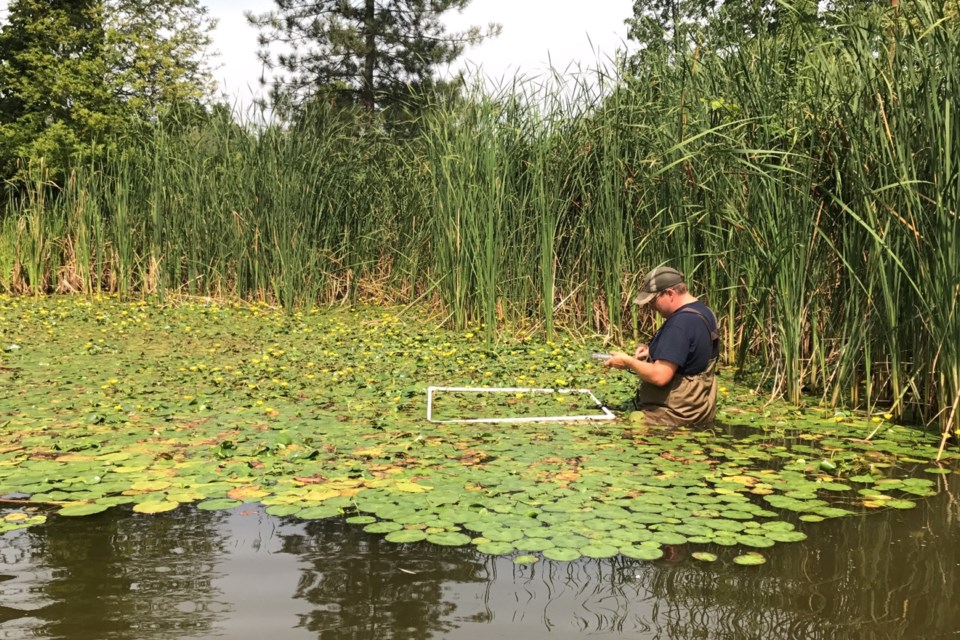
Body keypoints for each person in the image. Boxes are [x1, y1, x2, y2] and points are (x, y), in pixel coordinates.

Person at [601, 266, 720, 427]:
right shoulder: (704, 312)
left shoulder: (680, 323)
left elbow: (660, 376)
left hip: (673, 417)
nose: (651, 307)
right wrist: (655, 350)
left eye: (653, 300)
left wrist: (628, 362)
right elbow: (693, 351)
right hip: (700, 411)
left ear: (670, 293)